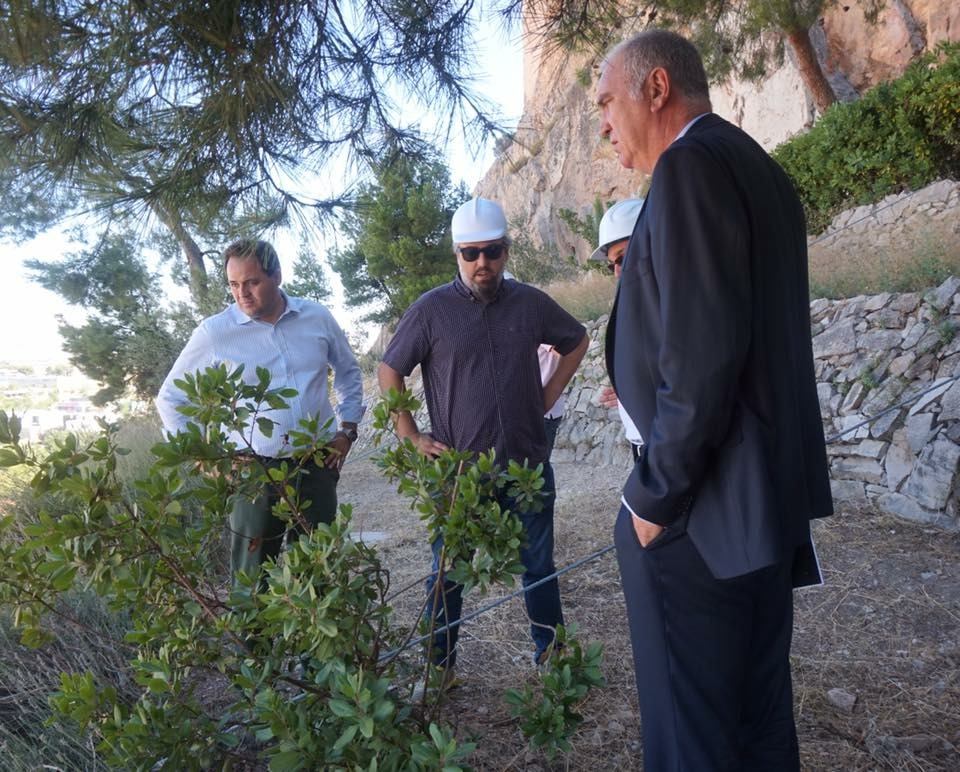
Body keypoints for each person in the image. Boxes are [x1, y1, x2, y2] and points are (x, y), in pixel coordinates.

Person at [596, 30, 833, 770]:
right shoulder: (759, 167)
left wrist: (651, 501)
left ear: (656, 88)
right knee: (757, 722)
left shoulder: (689, 168)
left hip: (700, 514)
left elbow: (702, 358)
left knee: (691, 732)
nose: (603, 123)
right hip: (760, 508)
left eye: (607, 101)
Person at [378, 197, 589, 679]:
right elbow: (390, 370)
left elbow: (575, 340)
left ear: (506, 250)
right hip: (460, 474)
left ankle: (551, 662)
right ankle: (439, 671)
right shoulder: (430, 311)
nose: (482, 263)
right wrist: (410, 435)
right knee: (447, 571)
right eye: (470, 253)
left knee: (539, 567)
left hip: (527, 465)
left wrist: (546, 393)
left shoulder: (530, 303)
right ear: (456, 254)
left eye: (492, 251)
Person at [156, 239, 364, 586]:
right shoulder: (214, 333)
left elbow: (348, 371)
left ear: (277, 276)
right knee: (251, 582)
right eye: (234, 285)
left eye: (252, 282)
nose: (242, 294)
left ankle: (314, 641)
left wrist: (348, 430)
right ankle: (255, 644)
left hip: (316, 464)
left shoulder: (316, 317)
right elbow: (169, 399)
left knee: (320, 572)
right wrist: (205, 459)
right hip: (253, 475)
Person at [587, 199, 646, 462]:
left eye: (623, 257)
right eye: (612, 265)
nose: (617, 272)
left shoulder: (680, 302)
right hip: (642, 440)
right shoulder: (633, 305)